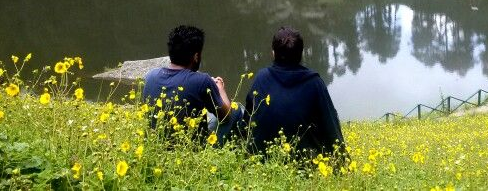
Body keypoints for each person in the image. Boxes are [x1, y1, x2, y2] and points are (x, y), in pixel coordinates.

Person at [244, 27, 344, 157]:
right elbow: (331, 126)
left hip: (262, 161)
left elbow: (247, 121)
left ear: (273, 53)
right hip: (305, 163)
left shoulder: (261, 77)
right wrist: (343, 161)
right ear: (301, 53)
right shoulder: (314, 83)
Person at [142, 25, 240, 142]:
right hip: (190, 148)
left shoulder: (150, 76)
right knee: (237, 109)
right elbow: (225, 117)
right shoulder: (202, 81)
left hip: (156, 144)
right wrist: (219, 88)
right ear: (196, 56)